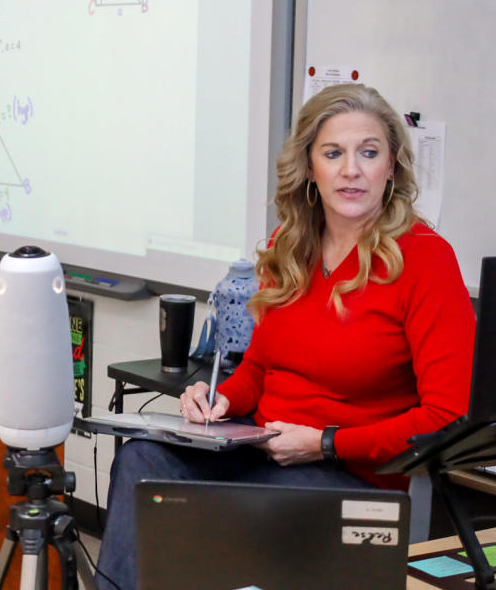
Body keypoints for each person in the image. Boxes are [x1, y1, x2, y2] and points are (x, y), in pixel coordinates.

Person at [95, 84, 475, 590]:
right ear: (310, 167)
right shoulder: (289, 245)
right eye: (333, 153)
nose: (351, 170)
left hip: (349, 475)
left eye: (369, 152)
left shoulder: (426, 259)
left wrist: (325, 444)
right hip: (263, 449)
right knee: (142, 458)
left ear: (393, 166)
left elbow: (448, 417)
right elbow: (260, 366)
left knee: (236, 522)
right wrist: (222, 399)